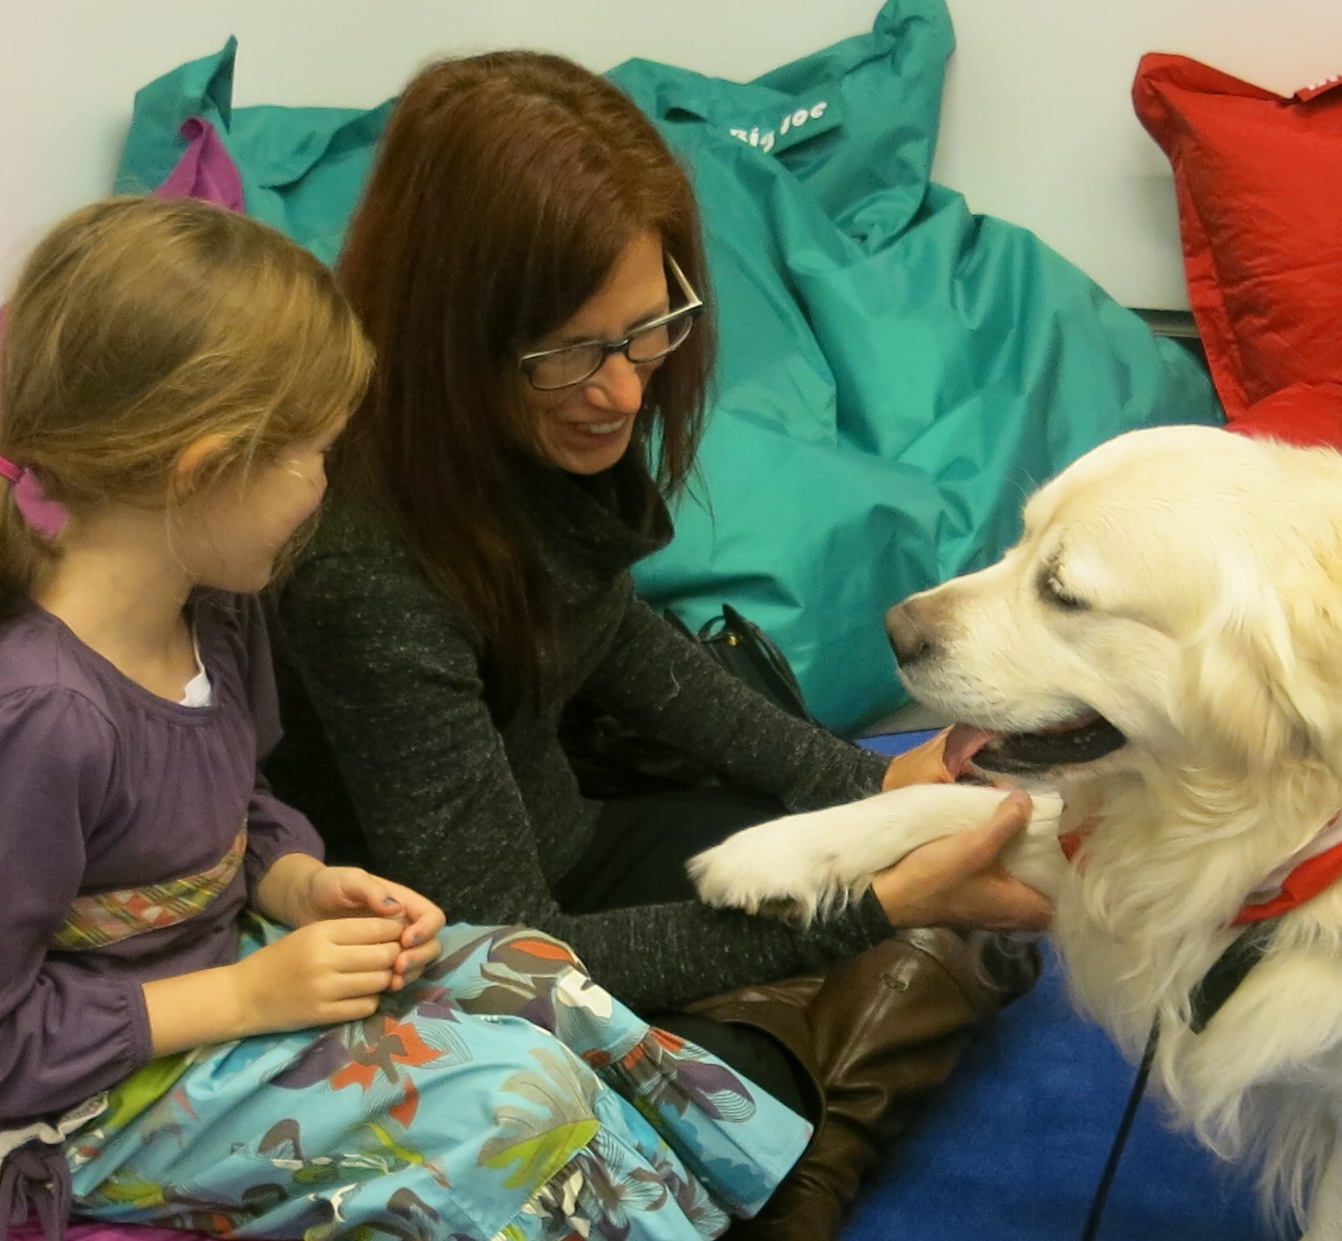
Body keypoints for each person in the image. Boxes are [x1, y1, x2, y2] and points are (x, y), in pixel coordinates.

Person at [0, 195, 812, 1241]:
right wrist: (243, 998)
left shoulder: (217, 609)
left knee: (538, 974)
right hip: (94, 1097)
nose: (329, 486)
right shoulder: (43, 721)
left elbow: (244, 800)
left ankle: (714, 1206)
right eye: (316, 454)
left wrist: (302, 880)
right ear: (208, 470)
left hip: (230, 962)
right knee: (514, 1089)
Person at [267, 51, 1052, 1239]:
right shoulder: (359, 564)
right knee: (873, 956)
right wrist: (878, 901)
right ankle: (796, 1157)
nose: (625, 392)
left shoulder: (548, 413)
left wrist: (862, 784)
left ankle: (790, 1129)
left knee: (976, 883)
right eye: (572, 351)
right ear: (450, 332)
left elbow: (614, 634)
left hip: (566, 842)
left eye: (650, 332)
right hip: (454, 961)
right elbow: (508, 950)